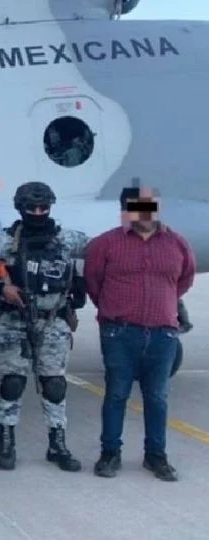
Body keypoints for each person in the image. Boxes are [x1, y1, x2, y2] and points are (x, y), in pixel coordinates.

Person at [84, 186, 195, 481]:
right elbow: (93, 282)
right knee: (116, 394)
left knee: (157, 397)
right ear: (125, 211)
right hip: (120, 333)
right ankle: (110, 453)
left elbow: (184, 280)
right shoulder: (105, 244)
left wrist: (163, 304)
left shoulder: (177, 243)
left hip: (162, 334)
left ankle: (155, 456)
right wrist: (114, 309)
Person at [0, 182, 88, 472]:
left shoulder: (68, 239)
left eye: (44, 208)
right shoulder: (2, 242)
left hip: (54, 320)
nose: (39, 212)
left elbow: (107, 250)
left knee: (54, 385)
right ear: (21, 208)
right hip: (14, 321)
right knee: (12, 383)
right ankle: (7, 443)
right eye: (32, 208)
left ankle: (57, 445)